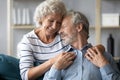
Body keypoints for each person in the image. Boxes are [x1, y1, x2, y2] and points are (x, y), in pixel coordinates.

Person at [17, 0, 105, 80]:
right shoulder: (28, 41)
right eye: (51, 21)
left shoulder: (61, 36)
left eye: (58, 22)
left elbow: (81, 47)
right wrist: (53, 61)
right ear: (41, 18)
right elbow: (26, 76)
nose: (55, 26)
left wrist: (100, 48)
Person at [43, 10, 120, 80]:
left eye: (63, 27)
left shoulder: (104, 56)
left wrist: (104, 65)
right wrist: (56, 68)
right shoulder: (58, 58)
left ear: (79, 27)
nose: (59, 32)